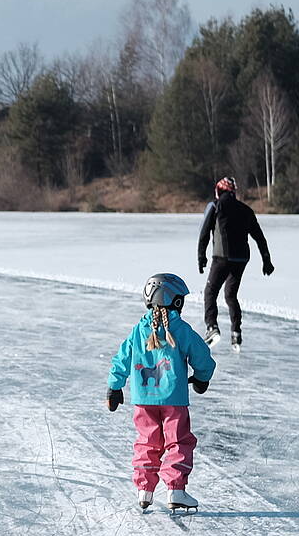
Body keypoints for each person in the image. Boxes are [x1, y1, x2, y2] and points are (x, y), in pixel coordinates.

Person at [107, 273, 216, 511]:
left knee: (148, 442)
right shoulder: (181, 329)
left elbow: (121, 358)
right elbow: (203, 357)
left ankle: (144, 491)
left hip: (143, 400)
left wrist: (114, 386)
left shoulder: (138, 331)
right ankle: (176, 490)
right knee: (178, 442)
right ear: (175, 301)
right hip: (174, 400)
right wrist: (201, 378)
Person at [196, 175, 274, 351]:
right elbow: (259, 237)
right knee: (230, 295)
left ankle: (211, 328)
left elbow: (204, 232)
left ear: (219, 190)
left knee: (210, 292)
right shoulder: (245, 209)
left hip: (222, 258)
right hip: (241, 259)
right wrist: (266, 260)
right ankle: (236, 333)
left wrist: (201, 256)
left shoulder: (215, 206)